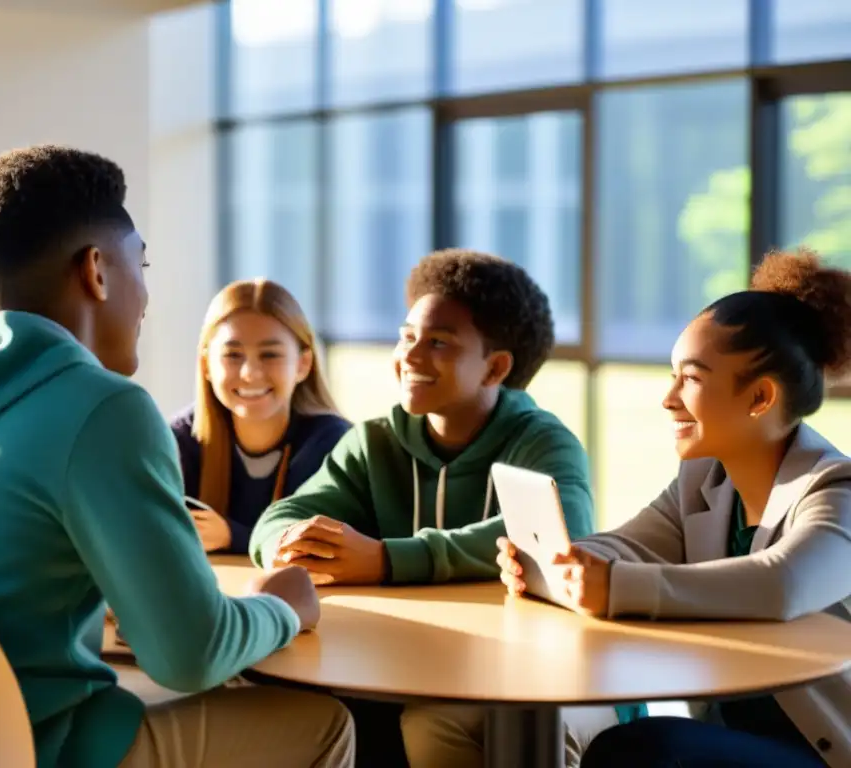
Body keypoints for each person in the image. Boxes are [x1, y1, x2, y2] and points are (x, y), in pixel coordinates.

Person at [0, 145, 353, 768]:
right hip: (43, 749)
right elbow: (191, 656)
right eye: (140, 264)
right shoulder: (103, 409)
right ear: (97, 270)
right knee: (322, 725)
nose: (146, 294)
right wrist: (285, 605)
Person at [249, 248, 640, 767]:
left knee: (438, 723)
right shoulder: (375, 442)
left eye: (438, 343)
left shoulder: (544, 442)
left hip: (562, 679)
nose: (410, 356)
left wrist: (386, 559)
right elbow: (277, 520)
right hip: (428, 673)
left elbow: (556, 538)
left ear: (495, 367)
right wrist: (290, 544)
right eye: (407, 336)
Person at [499, 248, 851, 768]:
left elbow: (783, 584)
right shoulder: (704, 480)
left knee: (642, 750)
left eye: (691, 378)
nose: (668, 398)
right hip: (740, 741)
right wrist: (562, 563)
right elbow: (628, 543)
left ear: (759, 398)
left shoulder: (835, 489)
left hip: (825, 751)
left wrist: (615, 586)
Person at [171, 278, 350, 554]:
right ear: (206, 365)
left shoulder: (335, 444)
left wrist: (234, 536)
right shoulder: (178, 440)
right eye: (233, 355)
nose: (250, 373)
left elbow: (326, 547)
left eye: (269, 355)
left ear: (303, 364)